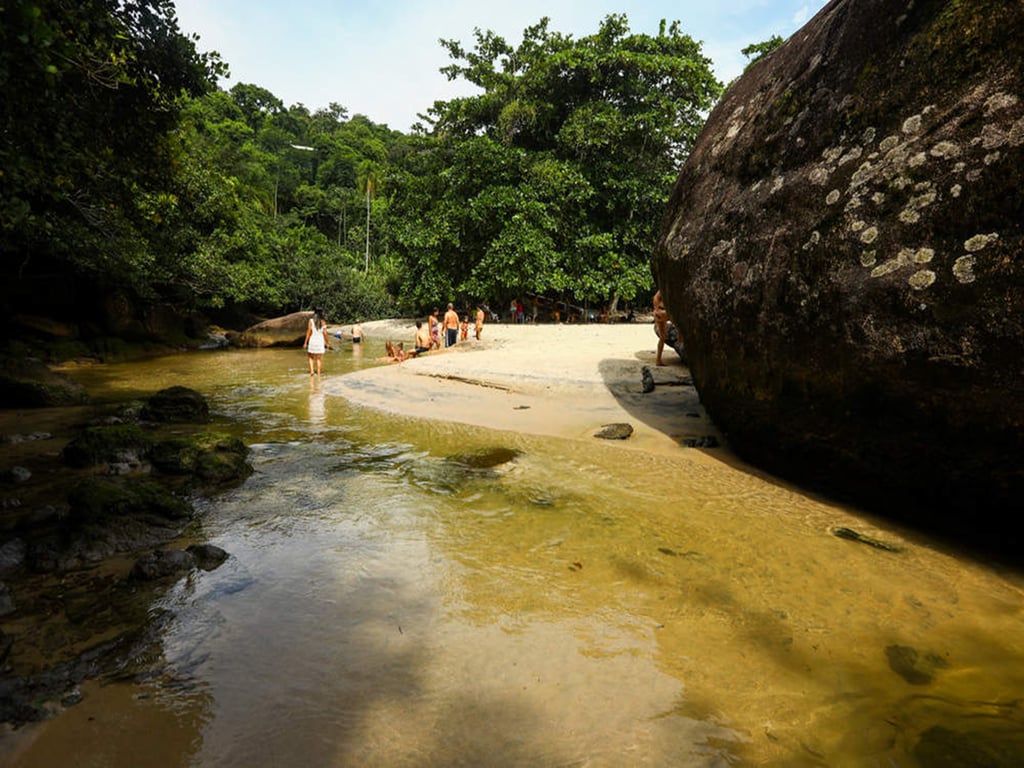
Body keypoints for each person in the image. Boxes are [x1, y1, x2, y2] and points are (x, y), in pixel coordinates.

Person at [304, 307, 329, 376]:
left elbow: (308, 332)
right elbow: (325, 333)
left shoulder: (311, 321)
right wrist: (327, 343)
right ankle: (318, 373)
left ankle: (312, 371)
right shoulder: (323, 322)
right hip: (320, 341)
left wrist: (305, 342)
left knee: (310, 357)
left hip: (313, 340)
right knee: (319, 359)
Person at [653, 290, 670, 366]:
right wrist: (658, 310)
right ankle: (680, 337)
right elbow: (655, 298)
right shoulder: (663, 290)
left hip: (660, 312)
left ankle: (658, 360)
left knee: (662, 337)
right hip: (662, 312)